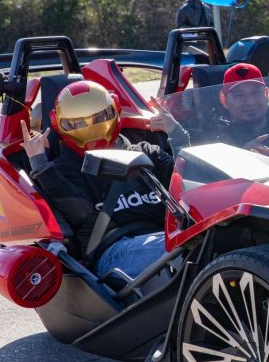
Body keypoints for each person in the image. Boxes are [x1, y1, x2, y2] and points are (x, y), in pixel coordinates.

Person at [21, 81, 173, 280]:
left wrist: (177, 134)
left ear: (115, 111)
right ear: (58, 124)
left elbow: (190, 179)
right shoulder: (62, 170)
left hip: (165, 236)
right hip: (113, 249)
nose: (91, 128)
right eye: (78, 123)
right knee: (188, 247)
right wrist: (40, 164)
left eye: (99, 118)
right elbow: (80, 213)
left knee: (206, 240)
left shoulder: (146, 151)